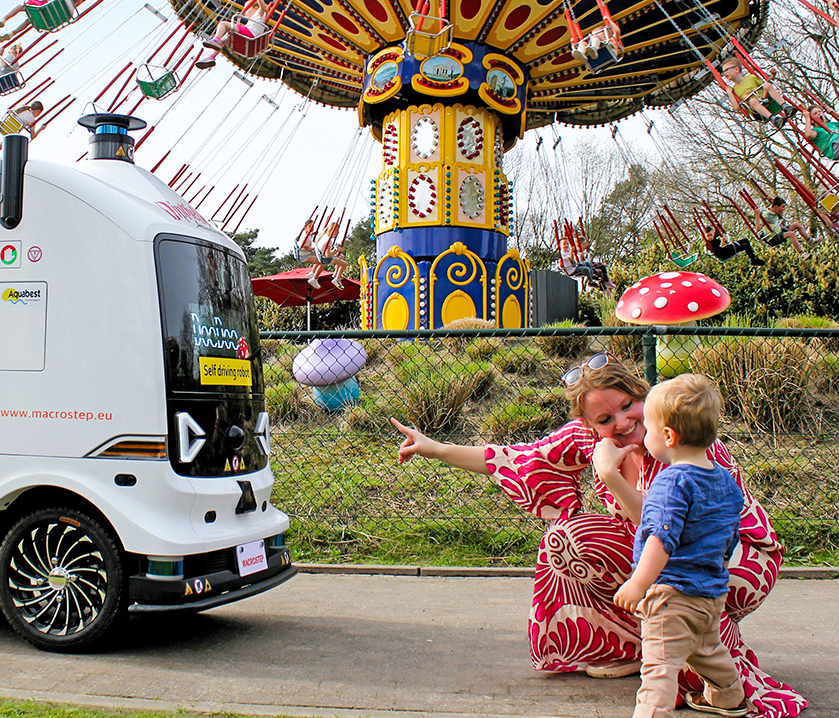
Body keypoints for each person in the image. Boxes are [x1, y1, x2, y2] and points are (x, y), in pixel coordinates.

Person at [390, 353, 805, 718]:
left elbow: (668, 527)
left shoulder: (686, 443)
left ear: (645, 397)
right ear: (587, 425)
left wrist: (609, 476)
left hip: (732, 563)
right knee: (567, 539)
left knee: (674, 652)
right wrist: (434, 447)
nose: (623, 422)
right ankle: (641, 649)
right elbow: (512, 457)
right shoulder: (589, 439)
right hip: (667, 561)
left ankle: (671, 665)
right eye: (606, 419)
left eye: (629, 406)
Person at [612, 374, 749, 718]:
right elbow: (730, 535)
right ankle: (729, 697)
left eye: (648, 427)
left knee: (658, 667)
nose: (644, 433)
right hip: (710, 594)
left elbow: (661, 536)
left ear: (669, 436)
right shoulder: (725, 481)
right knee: (707, 651)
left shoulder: (671, 482)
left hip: (670, 595)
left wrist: (639, 583)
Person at [720, 57, 796, 128]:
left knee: (767, 85)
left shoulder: (751, 78)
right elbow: (737, 108)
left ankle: (785, 106)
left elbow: (766, 85)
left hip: (764, 99)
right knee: (753, 101)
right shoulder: (734, 90)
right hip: (755, 109)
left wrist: (772, 76)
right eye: (723, 72)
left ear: (736, 69)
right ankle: (774, 119)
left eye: (726, 70)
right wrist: (730, 93)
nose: (725, 73)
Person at [196, 0, 270, 69]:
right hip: (248, 40)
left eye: (247, 8)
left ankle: (215, 39)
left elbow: (262, 7)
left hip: (249, 34)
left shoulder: (259, 14)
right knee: (224, 40)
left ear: (256, 8)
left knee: (223, 24)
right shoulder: (255, 21)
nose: (245, 12)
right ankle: (211, 57)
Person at [0, 0, 89, 42]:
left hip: (42, 9)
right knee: (29, 21)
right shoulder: (71, 9)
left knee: (21, 6)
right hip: (50, 20)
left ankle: (4, 19)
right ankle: (12, 33)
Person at [317, 220, 349, 289]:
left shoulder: (324, 236)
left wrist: (336, 252)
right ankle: (337, 279)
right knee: (345, 264)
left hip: (321, 256)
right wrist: (337, 250)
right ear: (332, 230)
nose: (338, 232)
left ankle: (336, 273)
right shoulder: (328, 241)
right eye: (336, 230)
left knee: (341, 256)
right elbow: (328, 255)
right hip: (325, 259)